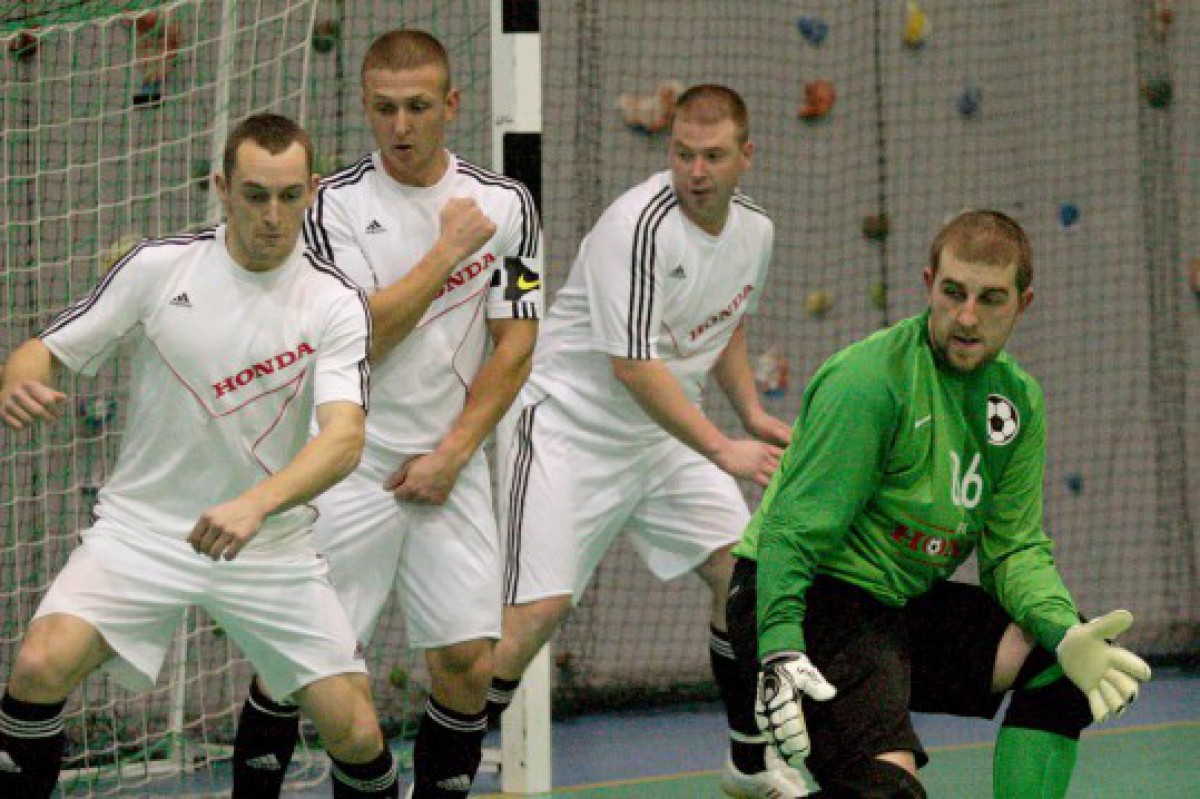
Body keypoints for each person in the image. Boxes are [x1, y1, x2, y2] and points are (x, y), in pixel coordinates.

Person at [0, 113, 400, 798]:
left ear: (312, 190)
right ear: (222, 188)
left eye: (289, 196)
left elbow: (344, 438)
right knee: (39, 663)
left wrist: (255, 505)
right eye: (254, 195)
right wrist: (18, 378)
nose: (272, 216)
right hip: (143, 532)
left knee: (357, 729)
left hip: (268, 545)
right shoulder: (158, 269)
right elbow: (46, 348)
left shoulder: (335, 302)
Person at [734, 210, 1153, 797]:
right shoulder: (870, 381)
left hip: (897, 606)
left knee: (1064, 665)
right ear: (928, 284)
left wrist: (1063, 632)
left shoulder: (1016, 402)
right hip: (806, 596)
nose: (967, 317)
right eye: (953, 293)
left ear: (1023, 304)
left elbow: (1014, 553)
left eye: (991, 298)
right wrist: (779, 642)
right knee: (887, 792)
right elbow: (791, 531)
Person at [230, 30, 540, 799]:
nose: (400, 126)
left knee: (468, 662)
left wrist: (454, 453)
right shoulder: (330, 206)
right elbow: (362, 337)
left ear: (452, 105)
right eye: (384, 108)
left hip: (449, 465)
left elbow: (516, 341)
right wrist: (447, 252)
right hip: (347, 460)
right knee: (301, 661)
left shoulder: (507, 205)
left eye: (418, 107)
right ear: (366, 108)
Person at [489, 84, 809, 798]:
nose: (696, 171)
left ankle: (747, 762)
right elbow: (632, 365)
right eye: (683, 153)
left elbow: (725, 321)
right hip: (567, 428)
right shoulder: (637, 225)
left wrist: (751, 412)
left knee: (743, 576)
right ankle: (441, 773)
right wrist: (723, 447)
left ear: (747, 156)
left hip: (662, 434)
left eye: (713, 156)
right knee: (535, 616)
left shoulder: (755, 231)